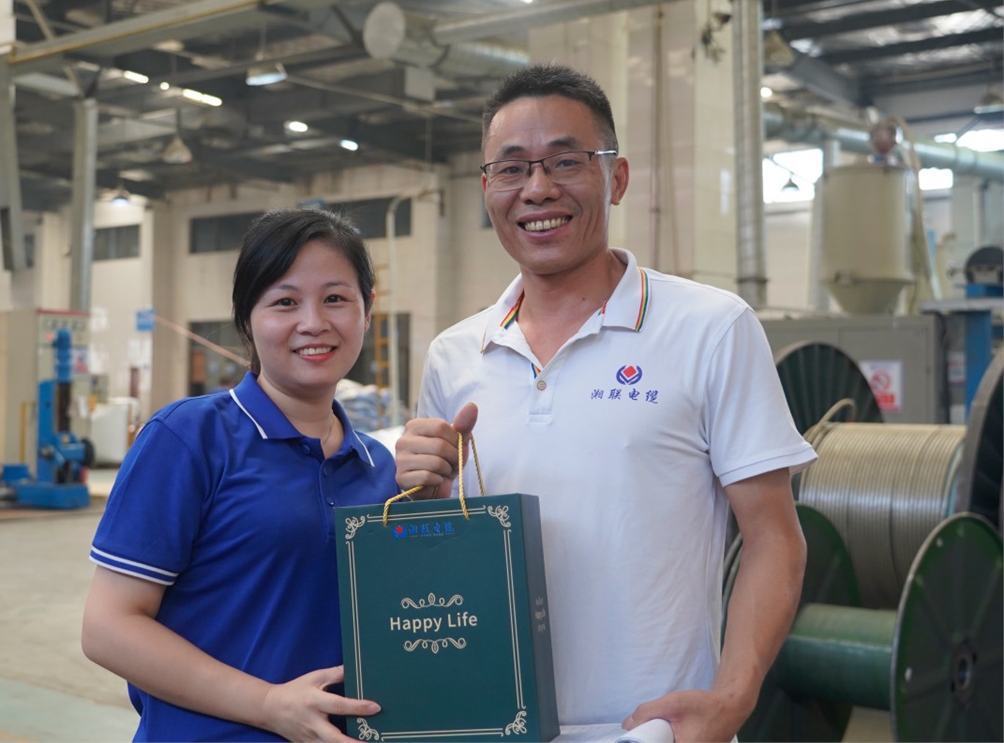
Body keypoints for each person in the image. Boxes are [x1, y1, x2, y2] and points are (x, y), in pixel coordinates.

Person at [394, 63, 815, 741]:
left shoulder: (710, 328)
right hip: (497, 724)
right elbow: (446, 563)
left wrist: (733, 699)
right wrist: (423, 498)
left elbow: (774, 539)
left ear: (616, 178)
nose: (538, 189)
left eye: (566, 162)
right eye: (512, 169)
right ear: (487, 189)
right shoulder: (455, 355)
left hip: (654, 730)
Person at [83, 208, 395, 742]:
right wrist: (268, 704)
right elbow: (108, 628)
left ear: (367, 311)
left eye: (336, 298)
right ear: (247, 320)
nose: (313, 322)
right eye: (285, 302)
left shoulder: (378, 467)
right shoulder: (189, 438)